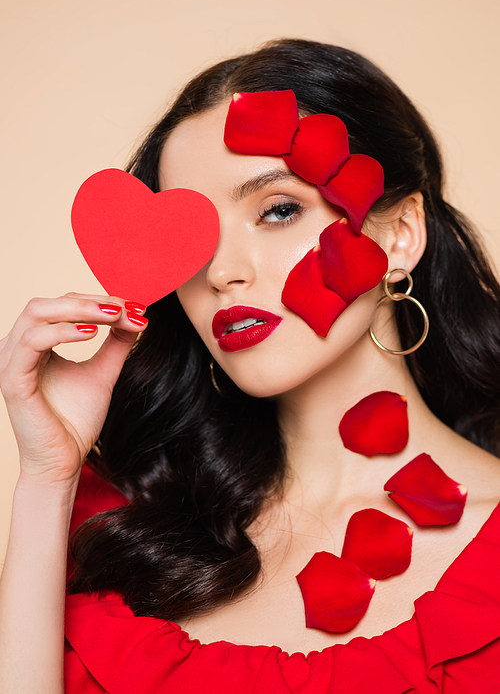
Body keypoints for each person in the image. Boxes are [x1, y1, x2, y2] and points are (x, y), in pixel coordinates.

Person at [1, 38, 500, 693]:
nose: (223, 272)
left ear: (399, 233)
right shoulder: (125, 534)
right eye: (196, 236)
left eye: (279, 209)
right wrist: (46, 477)